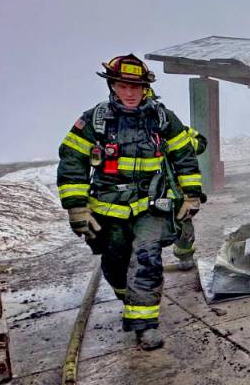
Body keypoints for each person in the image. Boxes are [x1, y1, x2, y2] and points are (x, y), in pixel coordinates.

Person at [56, 54, 203, 350]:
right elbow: (72, 161)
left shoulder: (161, 119)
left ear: (145, 88)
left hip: (151, 204)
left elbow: (185, 156)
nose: (130, 92)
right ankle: (130, 299)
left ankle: (144, 324)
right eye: (124, 85)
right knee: (114, 262)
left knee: (147, 258)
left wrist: (191, 195)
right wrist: (77, 208)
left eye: (136, 86)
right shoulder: (94, 121)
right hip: (109, 206)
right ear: (113, 85)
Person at [173, 126, 208, 270]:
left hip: (175, 186)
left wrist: (182, 146)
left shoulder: (169, 124)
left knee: (182, 219)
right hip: (142, 188)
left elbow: (201, 142)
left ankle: (185, 255)